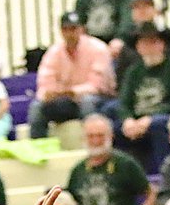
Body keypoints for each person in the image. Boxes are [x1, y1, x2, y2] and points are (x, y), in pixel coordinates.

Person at [115, 23, 170, 172]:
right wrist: (127, 120)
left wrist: (150, 118)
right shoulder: (133, 72)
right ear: (138, 47)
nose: (149, 47)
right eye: (144, 43)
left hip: (166, 118)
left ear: (162, 44)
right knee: (112, 129)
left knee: (158, 125)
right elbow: (124, 102)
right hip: (137, 122)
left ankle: (164, 173)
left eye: (153, 42)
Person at [29, 12, 116, 140]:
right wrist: (51, 94)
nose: (70, 34)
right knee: (36, 107)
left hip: (99, 97)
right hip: (65, 100)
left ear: (82, 29)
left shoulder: (98, 48)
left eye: (73, 29)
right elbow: (45, 83)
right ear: (61, 31)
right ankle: (39, 150)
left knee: (88, 102)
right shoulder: (54, 52)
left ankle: (91, 147)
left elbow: (97, 85)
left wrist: (71, 92)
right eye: (65, 29)